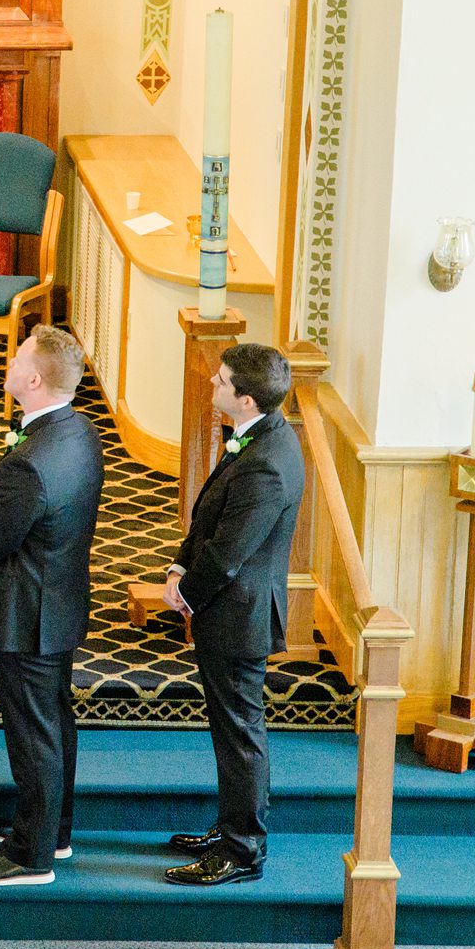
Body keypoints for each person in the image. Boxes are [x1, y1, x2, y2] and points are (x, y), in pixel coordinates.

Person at [0, 326, 105, 886]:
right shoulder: (79, 429)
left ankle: (29, 855)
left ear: (34, 379)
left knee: (33, 730)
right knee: (54, 720)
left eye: (18, 357)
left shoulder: (30, 463)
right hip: (60, 594)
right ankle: (52, 829)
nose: (10, 361)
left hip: (29, 608)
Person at [162, 341, 304, 887]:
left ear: (245, 399)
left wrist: (184, 591)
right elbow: (209, 520)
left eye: (220, 382)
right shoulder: (258, 436)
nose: (213, 386)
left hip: (238, 617)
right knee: (231, 729)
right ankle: (229, 827)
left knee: (240, 734)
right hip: (227, 609)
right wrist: (178, 565)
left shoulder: (268, 463)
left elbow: (229, 552)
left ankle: (243, 850)